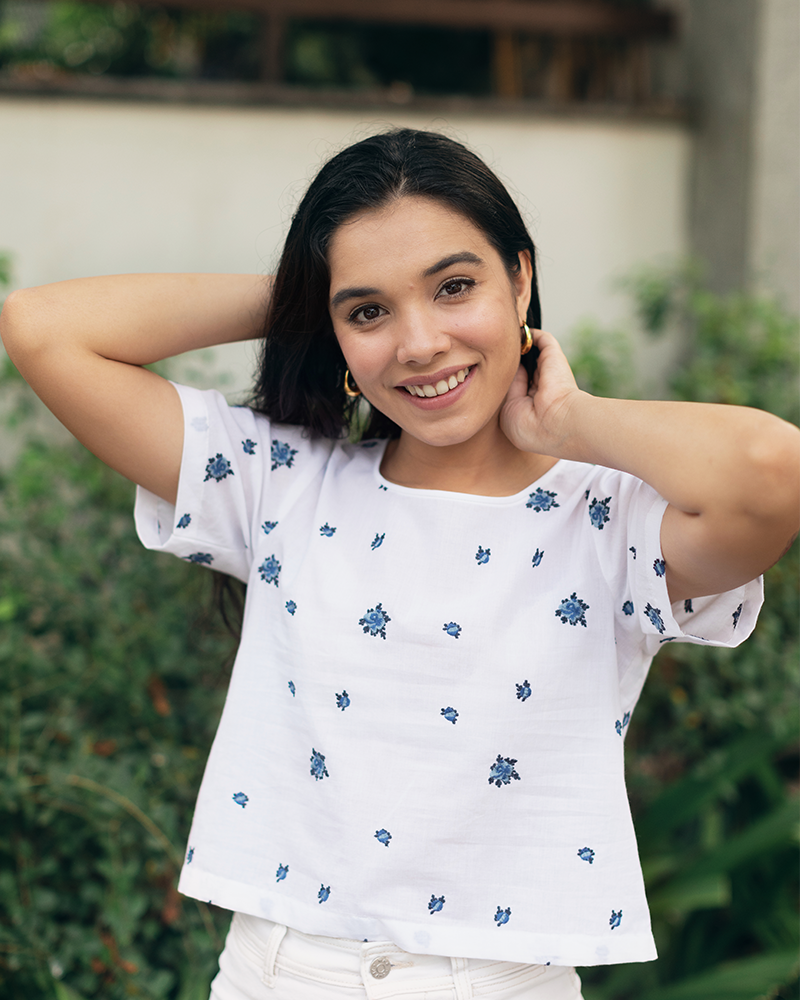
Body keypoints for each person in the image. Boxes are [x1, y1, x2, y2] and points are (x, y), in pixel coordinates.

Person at [2, 128, 798, 1000]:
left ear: (521, 278)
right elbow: (42, 329)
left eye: (454, 287)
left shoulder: (607, 520)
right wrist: (310, 295)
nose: (417, 343)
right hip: (276, 972)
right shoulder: (279, 485)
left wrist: (569, 422)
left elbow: (771, 474)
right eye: (369, 310)